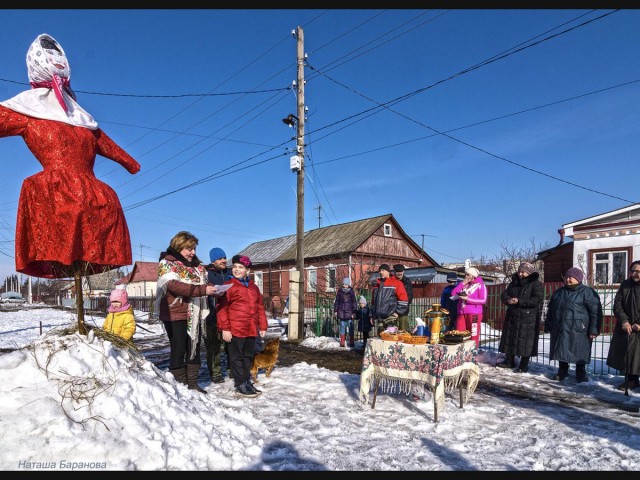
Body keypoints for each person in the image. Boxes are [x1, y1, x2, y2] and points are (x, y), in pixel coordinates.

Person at [0, 34, 140, 279]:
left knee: (101, 211)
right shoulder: (26, 109)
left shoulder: (79, 115)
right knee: (60, 222)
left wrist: (129, 162)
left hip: (90, 189)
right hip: (54, 190)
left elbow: (102, 142)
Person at [154, 231, 217, 394]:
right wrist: (203, 289)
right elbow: (174, 286)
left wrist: (216, 289)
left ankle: (193, 383)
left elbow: (205, 283)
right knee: (179, 348)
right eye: (189, 248)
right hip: (175, 312)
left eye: (194, 248)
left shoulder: (197, 267)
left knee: (194, 347)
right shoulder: (167, 263)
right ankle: (180, 385)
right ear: (179, 247)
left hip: (194, 312)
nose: (193, 252)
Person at [217, 255, 268, 398]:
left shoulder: (253, 287)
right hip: (235, 329)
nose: (237, 270)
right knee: (236, 357)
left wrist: (262, 326)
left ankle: (246, 380)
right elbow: (222, 308)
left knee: (248, 356)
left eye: (240, 267)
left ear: (248, 270)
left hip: (251, 328)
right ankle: (239, 384)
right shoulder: (229, 286)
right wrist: (225, 328)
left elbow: (260, 307)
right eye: (234, 267)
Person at [544, 267, 600, 383]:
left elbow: (595, 312)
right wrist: (549, 324)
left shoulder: (587, 292)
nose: (568, 279)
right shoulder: (559, 292)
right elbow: (550, 310)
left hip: (579, 328)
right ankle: (562, 371)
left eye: (571, 277)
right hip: (560, 326)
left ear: (578, 279)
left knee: (579, 349)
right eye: (567, 277)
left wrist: (594, 329)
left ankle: (580, 373)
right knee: (561, 348)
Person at [496, 262, 544, 373]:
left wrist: (519, 301)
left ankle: (523, 365)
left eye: (523, 272)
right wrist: (507, 300)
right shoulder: (514, 283)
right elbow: (504, 294)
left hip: (527, 318)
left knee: (525, 341)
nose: (520, 274)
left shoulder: (535, 284)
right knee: (510, 338)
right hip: (512, 315)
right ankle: (509, 361)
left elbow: (537, 299)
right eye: (519, 271)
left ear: (529, 273)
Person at [606, 260, 640, 391]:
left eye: (638, 271)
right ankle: (631, 380)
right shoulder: (625, 284)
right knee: (628, 354)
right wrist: (624, 321)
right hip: (626, 326)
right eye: (633, 271)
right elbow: (617, 304)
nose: (635, 274)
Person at [205, 247, 229, 384]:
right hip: (212, 314)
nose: (223, 261)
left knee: (230, 345)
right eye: (220, 258)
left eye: (224, 258)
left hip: (228, 314)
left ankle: (232, 370)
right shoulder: (207, 274)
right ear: (213, 260)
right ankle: (215, 373)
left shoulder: (229, 272)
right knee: (214, 346)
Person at [451, 267, 487, 348]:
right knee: (460, 334)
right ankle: (461, 353)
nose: (466, 276)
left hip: (474, 313)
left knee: (473, 334)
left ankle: (473, 353)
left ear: (473, 275)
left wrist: (468, 299)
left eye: (468, 274)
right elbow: (453, 293)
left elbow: (483, 300)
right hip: (461, 312)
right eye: (465, 274)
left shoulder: (480, 285)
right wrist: (462, 284)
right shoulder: (464, 284)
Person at [371, 264, 409, 335]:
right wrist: (372, 315)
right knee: (381, 339)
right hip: (379, 318)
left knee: (391, 338)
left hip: (391, 317)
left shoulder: (396, 283)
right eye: (379, 271)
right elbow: (373, 302)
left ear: (388, 272)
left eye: (383, 270)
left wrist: (397, 312)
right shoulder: (376, 285)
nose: (380, 272)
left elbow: (403, 300)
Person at [334, 277, 358, 347]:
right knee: (342, 326)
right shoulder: (339, 291)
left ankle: (351, 341)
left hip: (349, 313)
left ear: (348, 285)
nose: (345, 285)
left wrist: (354, 312)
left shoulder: (351, 292)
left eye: (346, 284)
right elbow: (337, 301)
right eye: (344, 284)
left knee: (350, 327)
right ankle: (342, 341)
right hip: (341, 312)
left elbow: (354, 302)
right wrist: (335, 310)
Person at [393, 264, 413, 332]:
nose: (399, 273)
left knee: (403, 331)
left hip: (403, 310)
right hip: (392, 310)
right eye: (397, 271)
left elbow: (410, 296)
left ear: (403, 272)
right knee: (392, 331)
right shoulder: (391, 281)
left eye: (400, 271)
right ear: (394, 272)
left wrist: (403, 307)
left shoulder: (407, 282)